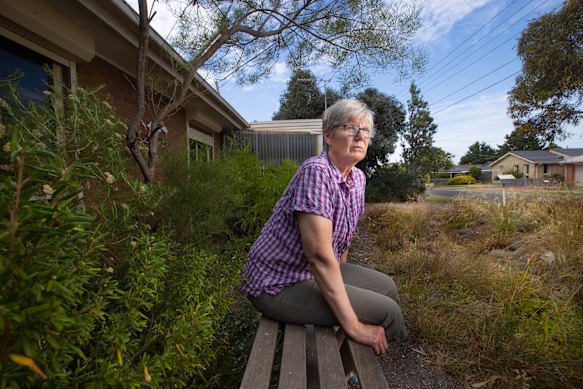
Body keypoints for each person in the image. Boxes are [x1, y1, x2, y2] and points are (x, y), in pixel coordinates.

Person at [240, 99, 407, 360]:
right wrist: (352, 324)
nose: (360, 136)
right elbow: (318, 256)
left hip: (307, 272)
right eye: (351, 128)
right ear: (328, 135)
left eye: (366, 131)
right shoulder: (316, 171)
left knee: (387, 287)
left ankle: (340, 357)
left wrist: (341, 290)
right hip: (276, 283)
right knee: (388, 312)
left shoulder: (357, 178)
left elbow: (342, 243)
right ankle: (344, 369)